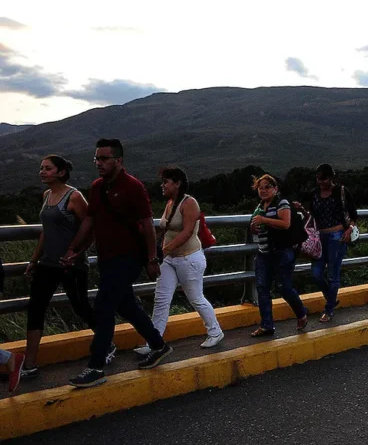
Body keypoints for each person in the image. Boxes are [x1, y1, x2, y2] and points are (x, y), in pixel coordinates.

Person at [64, 139, 172, 388]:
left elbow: (147, 225)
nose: (99, 163)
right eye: (96, 159)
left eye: (104, 159)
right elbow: (90, 221)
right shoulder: (97, 187)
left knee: (103, 306)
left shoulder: (133, 187)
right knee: (126, 306)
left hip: (129, 257)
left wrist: (152, 259)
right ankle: (159, 345)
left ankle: (96, 366)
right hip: (107, 258)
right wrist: (73, 249)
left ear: (119, 161)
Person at [23, 155, 114, 379]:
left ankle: (107, 343)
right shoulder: (46, 196)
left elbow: (89, 230)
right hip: (48, 263)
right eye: (41, 168)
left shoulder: (74, 197)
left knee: (80, 306)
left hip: (72, 265)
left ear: (61, 172)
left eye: (48, 169)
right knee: (36, 308)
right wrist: (34, 260)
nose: (43, 172)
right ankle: (29, 363)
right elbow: (46, 231)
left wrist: (76, 254)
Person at [133, 168, 224, 355]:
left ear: (178, 183)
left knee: (196, 298)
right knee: (161, 299)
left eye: (166, 182)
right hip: (169, 260)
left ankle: (215, 331)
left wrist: (163, 251)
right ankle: (154, 341)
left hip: (189, 258)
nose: (162, 185)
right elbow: (165, 229)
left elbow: (187, 231)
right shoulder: (170, 203)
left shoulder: (189, 203)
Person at [249, 174, 309, 336]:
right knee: (262, 288)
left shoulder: (282, 203)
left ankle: (301, 312)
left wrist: (263, 220)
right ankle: (266, 325)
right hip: (263, 253)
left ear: (275, 188)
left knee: (284, 287)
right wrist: (255, 226)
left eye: (267, 187)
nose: (263, 190)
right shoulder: (260, 205)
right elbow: (256, 225)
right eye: (260, 188)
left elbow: (285, 223)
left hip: (281, 251)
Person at [298, 163, 358, 323]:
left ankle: (329, 308)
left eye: (324, 179)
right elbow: (312, 216)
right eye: (318, 179)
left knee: (333, 274)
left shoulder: (341, 192)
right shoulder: (315, 193)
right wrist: (302, 211)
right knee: (316, 273)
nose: (321, 182)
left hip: (337, 236)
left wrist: (349, 229)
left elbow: (353, 214)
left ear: (331, 178)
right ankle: (331, 297)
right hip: (320, 238)